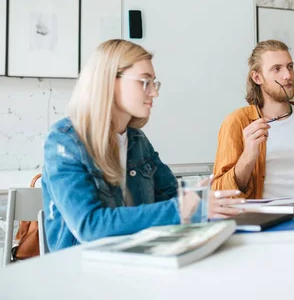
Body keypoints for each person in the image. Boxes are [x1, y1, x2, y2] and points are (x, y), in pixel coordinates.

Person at [42, 39, 243, 252]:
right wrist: (183, 207)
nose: (154, 93)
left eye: (154, 83)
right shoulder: (64, 142)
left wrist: (199, 196)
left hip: (139, 258)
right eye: (144, 82)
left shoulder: (137, 140)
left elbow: (170, 196)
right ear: (109, 81)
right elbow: (90, 226)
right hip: (82, 270)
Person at [212, 40, 294, 199]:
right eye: (276, 69)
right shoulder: (236, 123)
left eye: (290, 67)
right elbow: (219, 193)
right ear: (257, 78)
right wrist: (248, 156)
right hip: (263, 221)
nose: (287, 75)